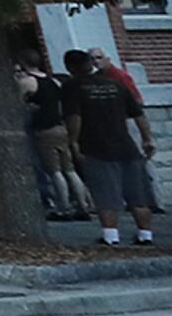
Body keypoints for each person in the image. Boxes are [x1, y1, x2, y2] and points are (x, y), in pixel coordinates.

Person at [65, 47, 155, 244]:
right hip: (127, 146)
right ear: (90, 64)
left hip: (96, 147)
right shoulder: (116, 85)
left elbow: (75, 117)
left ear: (70, 67)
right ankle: (145, 235)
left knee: (105, 194)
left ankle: (111, 236)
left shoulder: (73, 87)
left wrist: (73, 141)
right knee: (138, 194)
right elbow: (138, 114)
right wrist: (147, 138)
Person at [23, 56, 90, 220]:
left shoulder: (27, 82)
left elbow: (18, 105)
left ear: (24, 63)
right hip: (60, 127)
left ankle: (63, 208)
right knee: (69, 169)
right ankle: (83, 206)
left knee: (55, 171)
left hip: (44, 129)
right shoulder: (54, 82)